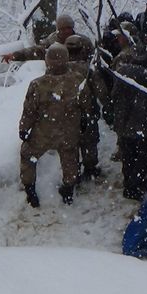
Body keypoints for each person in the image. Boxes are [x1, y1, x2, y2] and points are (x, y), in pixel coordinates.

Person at [18, 44, 90, 207]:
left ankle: (30, 192)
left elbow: (29, 110)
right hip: (69, 130)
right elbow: (86, 104)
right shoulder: (78, 79)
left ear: (47, 61)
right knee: (70, 157)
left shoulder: (38, 84)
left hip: (44, 132)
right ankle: (68, 190)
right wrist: (84, 120)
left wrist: (23, 128)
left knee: (28, 155)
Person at [110, 47, 147, 201]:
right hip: (142, 124)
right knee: (143, 156)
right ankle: (135, 186)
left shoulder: (121, 72)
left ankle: (129, 183)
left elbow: (113, 94)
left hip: (123, 122)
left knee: (128, 155)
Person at [64, 34, 108, 181]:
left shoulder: (58, 70)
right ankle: (90, 168)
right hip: (87, 113)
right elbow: (101, 91)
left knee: (70, 146)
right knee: (89, 141)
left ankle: (73, 173)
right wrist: (108, 104)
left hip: (67, 116)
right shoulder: (89, 69)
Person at [1, 14, 76, 63]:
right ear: (59, 30)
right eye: (63, 29)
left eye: (68, 28)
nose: (66, 31)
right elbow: (35, 51)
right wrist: (15, 55)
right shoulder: (51, 41)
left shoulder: (81, 41)